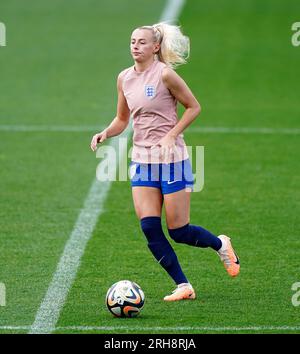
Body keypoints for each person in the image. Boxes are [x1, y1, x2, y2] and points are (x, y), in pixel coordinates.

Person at [91, 22, 240, 301]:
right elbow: (123, 119)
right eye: (133, 41)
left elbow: (194, 107)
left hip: (172, 160)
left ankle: (221, 244)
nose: (135, 46)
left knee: (179, 231)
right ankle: (183, 285)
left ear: (155, 47)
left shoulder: (165, 76)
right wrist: (105, 133)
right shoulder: (124, 78)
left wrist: (172, 134)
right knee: (149, 226)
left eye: (142, 42)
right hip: (142, 160)